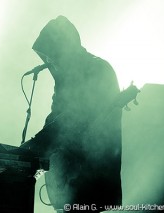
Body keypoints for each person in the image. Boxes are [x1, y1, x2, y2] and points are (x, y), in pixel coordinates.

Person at [21, 16, 122, 212]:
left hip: (91, 179)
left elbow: (72, 121)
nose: (49, 62)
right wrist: (31, 155)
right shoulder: (65, 81)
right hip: (70, 180)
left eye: (51, 56)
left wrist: (33, 147)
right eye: (46, 57)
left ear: (65, 49)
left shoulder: (97, 69)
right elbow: (54, 119)